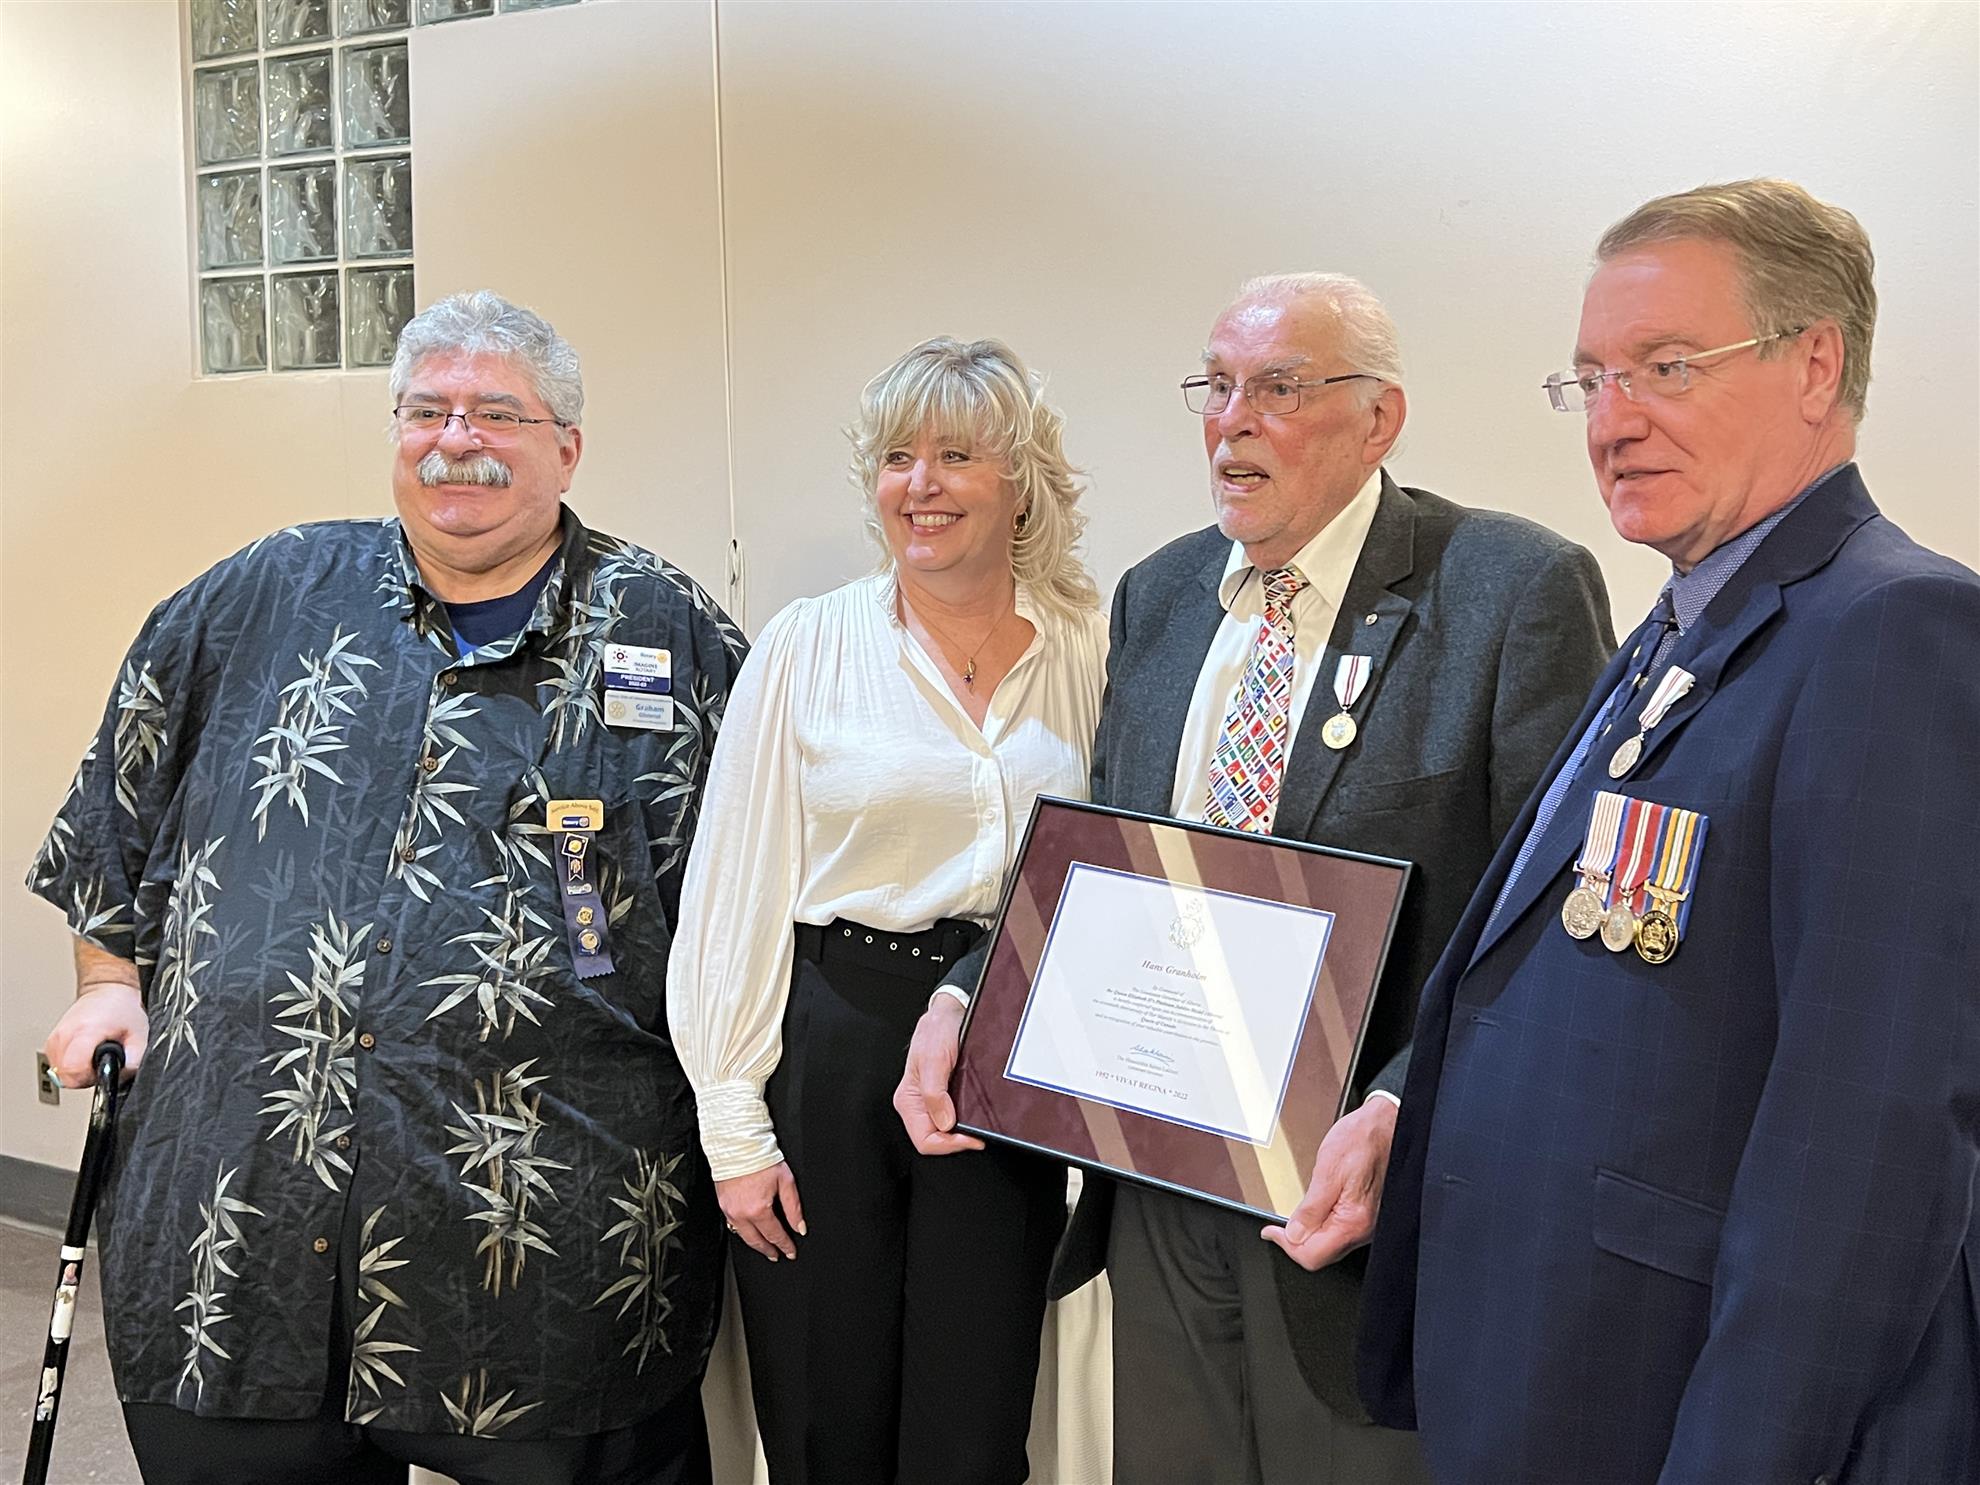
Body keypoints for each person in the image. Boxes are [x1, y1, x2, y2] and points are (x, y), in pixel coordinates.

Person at [898, 273, 1614, 1483]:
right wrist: (970, 999)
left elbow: (1547, 916)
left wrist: (1400, 1104)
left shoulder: (1509, 588)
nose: (1232, 420)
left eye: (1279, 388)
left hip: (1356, 1205)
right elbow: (1106, 853)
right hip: (1157, 1177)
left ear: (1379, 419)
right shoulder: (1163, 593)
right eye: (1217, 386)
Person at [31, 290, 744, 1485]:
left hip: (542, 1259)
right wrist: (108, 983)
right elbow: (116, 818)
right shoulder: (258, 597)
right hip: (239, 1237)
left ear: (566, 447)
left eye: (496, 414)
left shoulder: (673, 637)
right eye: (428, 409)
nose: (454, 438)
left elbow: (752, 904)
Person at [1360, 179, 1980, 1483]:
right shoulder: (1681, 623)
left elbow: (1868, 1145)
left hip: (1675, 1406)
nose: (1612, 420)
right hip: (1551, 1364)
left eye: (1665, 366)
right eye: (1589, 378)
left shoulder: (1891, 631)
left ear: (1817, 363)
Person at [667, 337, 1108, 1484]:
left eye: (956, 454)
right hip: (832, 1039)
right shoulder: (808, 646)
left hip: (1006, 1053)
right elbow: (735, 887)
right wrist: (733, 1129)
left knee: (974, 1422)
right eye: (898, 457)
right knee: (826, 1416)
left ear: (1020, 481)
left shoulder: (1087, 651)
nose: (921, 484)